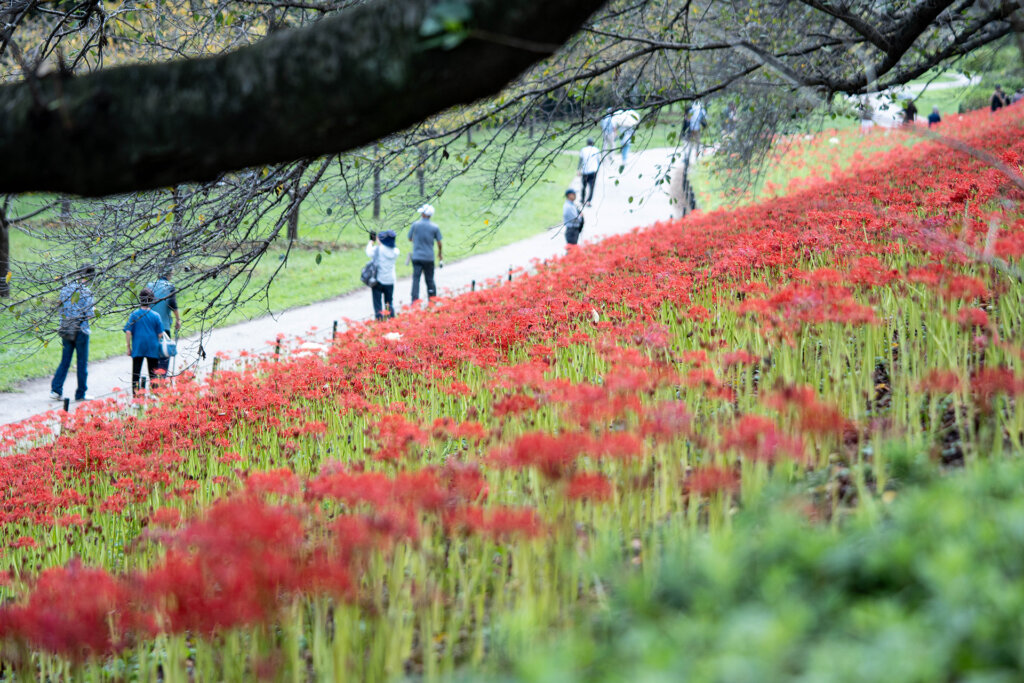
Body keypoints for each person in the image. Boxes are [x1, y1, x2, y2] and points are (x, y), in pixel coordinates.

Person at [50, 265, 96, 401]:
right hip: (81, 330)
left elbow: (60, 310)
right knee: (81, 363)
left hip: (66, 328)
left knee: (65, 360)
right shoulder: (87, 292)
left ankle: (56, 389)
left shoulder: (65, 289)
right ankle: (80, 393)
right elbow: (89, 314)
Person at [123, 288, 165, 397]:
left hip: (138, 347)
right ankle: (154, 394)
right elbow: (160, 334)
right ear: (151, 300)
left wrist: (128, 347)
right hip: (152, 347)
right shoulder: (155, 316)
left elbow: (128, 331)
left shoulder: (134, 315)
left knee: (136, 373)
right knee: (153, 372)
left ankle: (136, 395)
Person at [145, 268, 181, 378]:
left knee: (152, 355)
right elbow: (173, 304)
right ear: (169, 275)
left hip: (151, 327)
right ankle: (162, 379)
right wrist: (178, 320)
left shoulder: (150, 285)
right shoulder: (170, 287)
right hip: (164, 326)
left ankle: (153, 380)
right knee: (164, 353)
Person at [408, 204, 443, 302]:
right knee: (429, 279)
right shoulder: (435, 227)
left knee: (416, 279)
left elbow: (410, 238)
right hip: (429, 257)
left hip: (417, 257)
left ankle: (414, 301)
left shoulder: (415, 225)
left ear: (423, 214)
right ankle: (432, 300)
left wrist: (417, 239)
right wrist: (440, 253)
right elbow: (439, 242)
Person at [366, 229, 399, 319]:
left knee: (377, 303)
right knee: (389, 302)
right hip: (390, 280)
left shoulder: (378, 250)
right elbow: (386, 247)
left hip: (378, 280)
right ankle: (391, 319)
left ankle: (379, 320)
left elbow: (368, 252)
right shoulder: (395, 251)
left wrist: (371, 242)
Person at [578, 138, 600, 206]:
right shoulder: (596, 150)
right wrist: (598, 169)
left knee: (583, 186)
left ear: (587, 143)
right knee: (591, 187)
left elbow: (580, 160)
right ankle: (589, 201)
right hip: (593, 171)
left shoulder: (583, 150)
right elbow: (599, 161)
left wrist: (578, 169)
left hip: (585, 171)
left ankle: (582, 199)